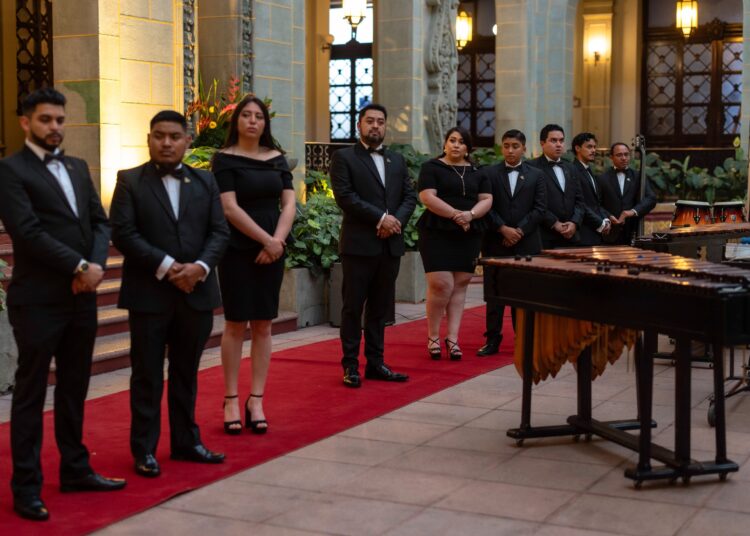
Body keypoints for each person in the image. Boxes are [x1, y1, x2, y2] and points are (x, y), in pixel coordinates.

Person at [0, 87, 125, 521]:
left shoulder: (77, 166)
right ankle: (26, 487)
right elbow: (27, 232)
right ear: (25, 122)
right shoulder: (10, 170)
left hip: (81, 297)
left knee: (74, 388)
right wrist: (78, 266)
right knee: (31, 392)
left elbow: (99, 221)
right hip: (38, 299)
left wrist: (95, 266)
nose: (54, 127)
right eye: (45, 119)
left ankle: (75, 469)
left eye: (59, 119)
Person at [110, 110, 230, 478]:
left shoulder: (206, 181)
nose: (166, 143)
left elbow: (219, 232)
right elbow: (124, 233)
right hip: (149, 293)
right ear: (148, 139)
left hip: (196, 292)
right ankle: (144, 449)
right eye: (159, 136)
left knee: (186, 372)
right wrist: (168, 267)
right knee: (146, 374)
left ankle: (186, 442)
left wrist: (199, 268)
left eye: (174, 136)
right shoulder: (129, 180)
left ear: (187, 141)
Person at [212, 95, 295, 435]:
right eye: (245, 115)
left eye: (258, 116)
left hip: (274, 246)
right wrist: (266, 240)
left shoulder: (277, 158)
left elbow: (289, 204)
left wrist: (277, 242)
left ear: (265, 123)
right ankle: (231, 398)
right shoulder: (224, 159)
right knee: (235, 323)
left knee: (263, 324)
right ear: (236, 122)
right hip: (237, 247)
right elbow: (229, 208)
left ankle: (256, 399)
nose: (252, 121)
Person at [330, 103, 417, 387]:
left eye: (380, 121)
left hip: (389, 246)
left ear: (385, 126)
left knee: (380, 309)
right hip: (359, 245)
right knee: (352, 308)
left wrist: (395, 222)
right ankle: (350, 366)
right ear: (359, 125)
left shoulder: (397, 160)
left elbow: (409, 197)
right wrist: (381, 219)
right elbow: (345, 196)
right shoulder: (344, 157)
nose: (376, 126)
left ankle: (376, 363)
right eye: (370, 121)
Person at [416, 127, 492, 360]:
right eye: (452, 140)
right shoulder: (431, 167)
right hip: (437, 230)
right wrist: (456, 215)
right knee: (441, 284)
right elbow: (427, 197)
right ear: (445, 144)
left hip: (469, 232)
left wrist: (470, 215)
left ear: (468, 147)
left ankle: (453, 338)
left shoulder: (478, 171)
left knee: (460, 284)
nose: (456, 145)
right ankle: (433, 336)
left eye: (461, 141)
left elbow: (487, 199)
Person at [476, 129, 546, 357]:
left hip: (526, 243)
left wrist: (519, 231)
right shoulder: (489, 173)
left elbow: (540, 208)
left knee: (522, 294)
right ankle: (492, 339)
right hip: (496, 241)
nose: (510, 150)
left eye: (515, 146)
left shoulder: (536, 175)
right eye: (506, 146)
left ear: (524, 148)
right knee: (494, 294)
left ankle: (523, 339)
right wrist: (503, 229)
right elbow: (486, 206)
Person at [529, 124, 584, 249]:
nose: (559, 144)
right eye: (553, 140)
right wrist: (554, 223)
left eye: (561, 140)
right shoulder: (531, 167)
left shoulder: (571, 167)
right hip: (544, 235)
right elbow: (532, 202)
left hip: (571, 236)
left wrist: (574, 222)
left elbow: (580, 200)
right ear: (542, 143)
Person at [598, 142, 656, 245]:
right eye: (619, 155)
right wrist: (608, 216)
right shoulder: (602, 178)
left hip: (633, 232)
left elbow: (651, 198)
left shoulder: (638, 176)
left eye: (626, 154)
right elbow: (596, 204)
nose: (624, 158)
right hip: (609, 234)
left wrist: (632, 211)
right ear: (611, 157)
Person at [570, 132, 611, 246]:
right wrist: (600, 223)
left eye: (594, 147)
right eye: (589, 147)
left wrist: (605, 219)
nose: (593, 150)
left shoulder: (588, 170)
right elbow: (580, 203)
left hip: (594, 232)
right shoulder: (573, 170)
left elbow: (596, 202)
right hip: (583, 233)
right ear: (577, 148)